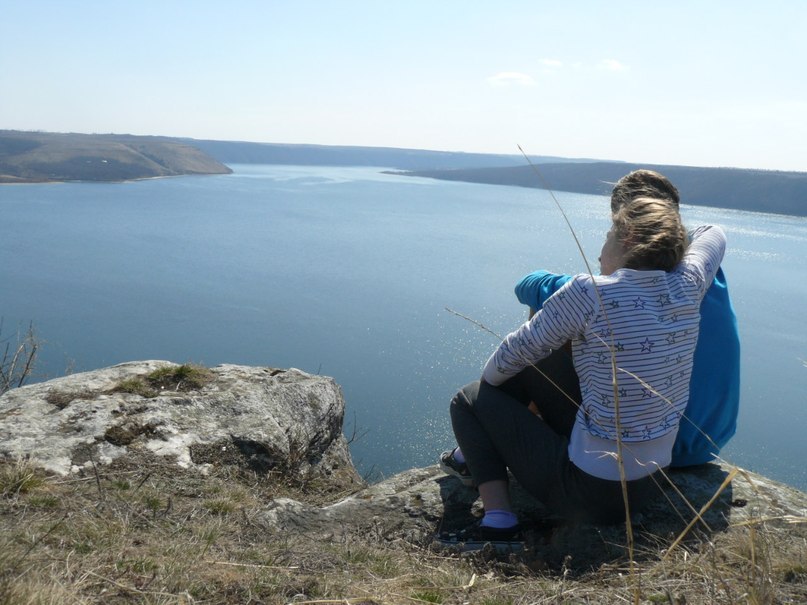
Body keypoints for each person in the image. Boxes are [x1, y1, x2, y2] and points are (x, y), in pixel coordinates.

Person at [437, 195, 727, 548]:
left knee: (468, 400)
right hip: (651, 485)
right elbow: (714, 233)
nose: (599, 251)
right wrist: (673, 239)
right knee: (538, 364)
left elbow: (501, 364)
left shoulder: (589, 291)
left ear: (629, 239)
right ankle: (474, 452)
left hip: (587, 495)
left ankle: (499, 518)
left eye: (607, 236)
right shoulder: (688, 282)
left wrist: (489, 408)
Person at [514, 170, 740, 467]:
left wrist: (584, 284)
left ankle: (516, 428)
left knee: (551, 313)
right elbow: (710, 233)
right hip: (706, 445)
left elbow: (529, 285)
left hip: (652, 450)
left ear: (627, 230)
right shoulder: (701, 271)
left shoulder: (622, 289)